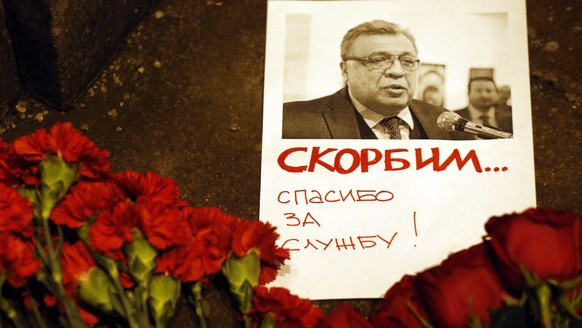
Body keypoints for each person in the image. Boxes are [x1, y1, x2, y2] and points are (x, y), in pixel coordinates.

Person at [282, 20, 463, 140]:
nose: (397, 71)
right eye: (378, 60)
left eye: (407, 61)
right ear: (346, 70)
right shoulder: (292, 121)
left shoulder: (450, 126)